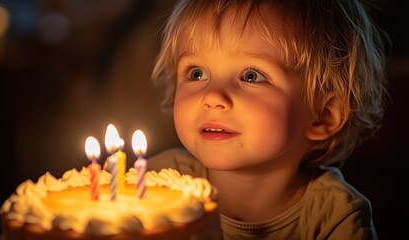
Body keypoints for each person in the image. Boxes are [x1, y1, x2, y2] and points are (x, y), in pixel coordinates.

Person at [148, 0, 389, 239]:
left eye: (251, 76)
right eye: (196, 73)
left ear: (322, 116)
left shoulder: (337, 216)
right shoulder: (156, 182)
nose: (212, 96)